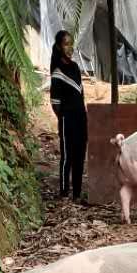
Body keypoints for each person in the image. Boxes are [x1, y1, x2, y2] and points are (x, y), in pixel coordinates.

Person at [49, 30, 87, 202]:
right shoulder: (57, 72)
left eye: (71, 43)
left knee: (80, 155)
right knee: (68, 156)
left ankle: (77, 193)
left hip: (81, 118)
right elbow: (55, 103)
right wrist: (64, 117)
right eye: (66, 44)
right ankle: (64, 192)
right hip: (67, 119)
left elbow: (81, 95)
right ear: (59, 47)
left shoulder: (75, 67)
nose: (70, 47)